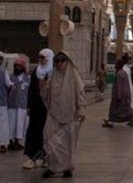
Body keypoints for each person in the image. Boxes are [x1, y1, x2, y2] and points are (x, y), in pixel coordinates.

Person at [40, 51, 85, 179]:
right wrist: (43, 86)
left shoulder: (73, 76)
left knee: (67, 142)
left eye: (62, 61)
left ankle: (66, 167)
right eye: (57, 61)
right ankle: (52, 167)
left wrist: (81, 109)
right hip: (53, 114)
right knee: (49, 139)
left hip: (70, 114)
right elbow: (45, 95)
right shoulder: (52, 76)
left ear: (67, 62)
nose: (60, 63)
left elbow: (80, 92)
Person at [23, 49, 52, 170]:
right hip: (36, 107)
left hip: (48, 108)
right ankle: (33, 157)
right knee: (34, 131)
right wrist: (29, 105)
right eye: (39, 57)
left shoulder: (53, 72)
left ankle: (46, 157)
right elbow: (31, 89)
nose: (40, 60)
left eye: (43, 58)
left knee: (46, 133)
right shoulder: (37, 71)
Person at [103, 56, 133, 128]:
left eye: (116, 64)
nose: (115, 66)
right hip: (125, 94)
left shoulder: (119, 74)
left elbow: (119, 85)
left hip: (119, 95)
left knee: (114, 109)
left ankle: (111, 122)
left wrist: (118, 95)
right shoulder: (124, 73)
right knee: (127, 109)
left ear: (119, 65)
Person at [8, 56, 29, 151]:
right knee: (11, 124)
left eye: (19, 66)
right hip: (11, 105)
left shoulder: (28, 78)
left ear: (23, 67)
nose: (17, 68)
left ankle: (17, 141)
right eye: (16, 66)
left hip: (23, 105)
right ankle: (10, 142)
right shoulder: (10, 77)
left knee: (20, 124)